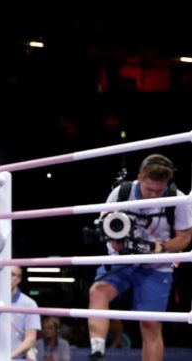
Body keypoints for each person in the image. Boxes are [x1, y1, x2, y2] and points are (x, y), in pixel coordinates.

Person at [87, 154, 192, 361]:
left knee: (151, 325)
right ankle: (97, 352)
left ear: (167, 184)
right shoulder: (122, 192)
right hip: (121, 259)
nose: (153, 195)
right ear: (140, 178)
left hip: (156, 266)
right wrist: (114, 240)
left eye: (158, 190)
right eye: (149, 189)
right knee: (97, 292)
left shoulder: (177, 198)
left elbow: (185, 236)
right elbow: (104, 224)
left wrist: (162, 248)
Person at [0, 266, 41, 360]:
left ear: (19, 279)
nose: (14, 278)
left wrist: (7, 357)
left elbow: (30, 339)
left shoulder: (29, 304)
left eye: (17, 275)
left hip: (16, 358)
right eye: (11, 274)